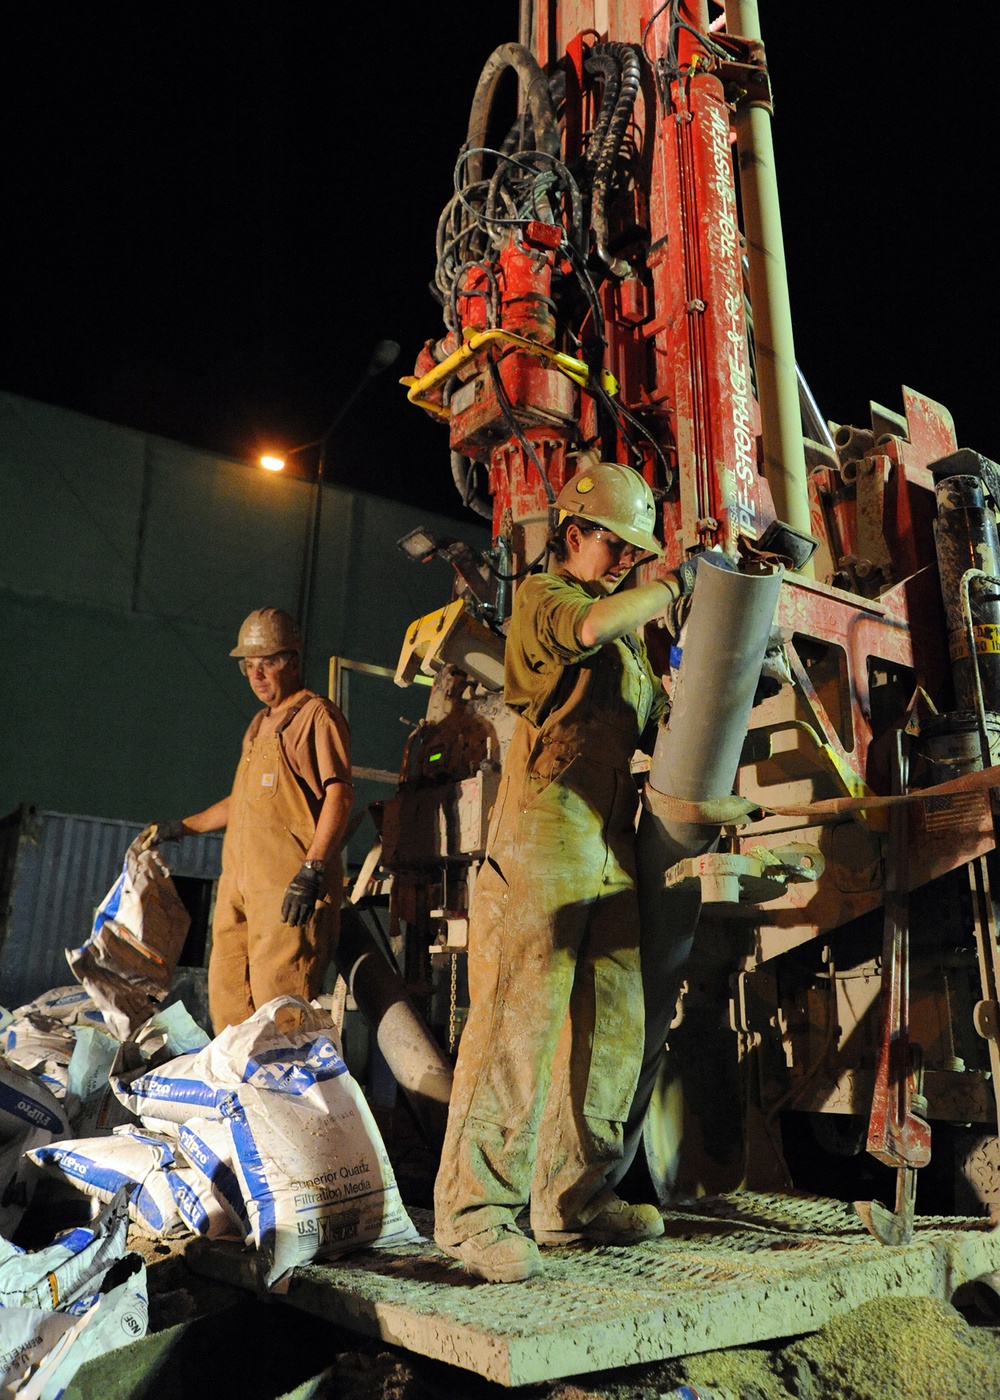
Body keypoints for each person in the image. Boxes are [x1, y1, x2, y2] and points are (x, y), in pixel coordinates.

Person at [434, 462, 701, 1284]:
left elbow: (659, 724)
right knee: (521, 1023)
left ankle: (573, 1199)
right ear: (573, 534)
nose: (623, 559)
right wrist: (676, 583)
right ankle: (475, 1214)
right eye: (614, 545)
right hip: (543, 834)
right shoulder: (546, 600)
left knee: (616, 1023)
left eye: (634, 550)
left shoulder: (626, 642)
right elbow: (589, 629)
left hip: (608, 841)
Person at [141, 607, 353, 1033]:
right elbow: (243, 802)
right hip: (239, 891)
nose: (257, 675)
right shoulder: (258, 726)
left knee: (281, 1016)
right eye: (249, 666)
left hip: (288, 893)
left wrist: (312, 869)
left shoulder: (316, 716)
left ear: (292, 661)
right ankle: (241, 1097)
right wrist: (180, 827)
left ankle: (282, 1098)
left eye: (268, 663)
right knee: (229, 1006)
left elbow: (341, 795)